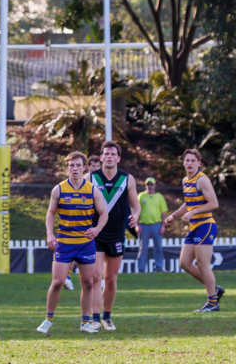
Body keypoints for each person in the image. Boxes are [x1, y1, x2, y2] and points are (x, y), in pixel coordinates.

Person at [37, 152, 108, 335]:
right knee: (58, 282)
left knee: (88, 282)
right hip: (64, 243)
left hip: (86, 243)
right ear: (67, 167)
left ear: (84, 167)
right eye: (71, 165)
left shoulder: (92, 190)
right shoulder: (59, 189)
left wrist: (97, 229)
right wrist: (50, 234)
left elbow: (104, 214)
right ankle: (48, 320)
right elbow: (51, 213)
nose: (74, 169)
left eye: (78, 165)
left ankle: (85, 323)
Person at [88, 141, 140, 331]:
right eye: (106, 153)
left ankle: (107, 317)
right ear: (101, 157)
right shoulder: (91, 178)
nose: (109, 156)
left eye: (112, 154)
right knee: (95, 276)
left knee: (110, 279)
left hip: (117, 235)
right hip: (96, 234)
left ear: (118, 158)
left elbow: (135, 205)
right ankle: (95, 318)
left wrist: (136, 216)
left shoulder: (127, 179)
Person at [164, 149, 224, 312]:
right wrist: (174, 215)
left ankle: (212, 303)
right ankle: (214, 289)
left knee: (203, 265)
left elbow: (214, 203)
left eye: (193, 160)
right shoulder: (185, 180)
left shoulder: (202, 180)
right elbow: (189, 203)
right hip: (194, 227)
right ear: (184, 163)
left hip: (205, 225)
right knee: (184, 263)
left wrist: (193, 212)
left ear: (199, 163)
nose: (189, 163)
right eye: (187, 160)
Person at [64, 155, 102, 292]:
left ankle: (99, 277)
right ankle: (67, 276)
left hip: (98, 220)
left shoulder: (102, 180)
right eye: (93, 166)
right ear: (88, 167)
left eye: (98, 166)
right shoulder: (86, 180)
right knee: (78, 250)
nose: (95, 169)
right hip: (84, 221)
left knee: (98, 251)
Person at [137, 177, 169, 273]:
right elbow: (136, 211)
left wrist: (163, 225)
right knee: (143, 248)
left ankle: (159, 267)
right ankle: (141, 269)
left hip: (156, 224)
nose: (150, 186)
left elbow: (164, 212)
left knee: (158, 247)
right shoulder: (141, 196)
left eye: (151, 184)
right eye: (148, 184)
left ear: (155, 185)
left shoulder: (159, 197)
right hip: (143, 225)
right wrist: (137, 225)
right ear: (145, 185)